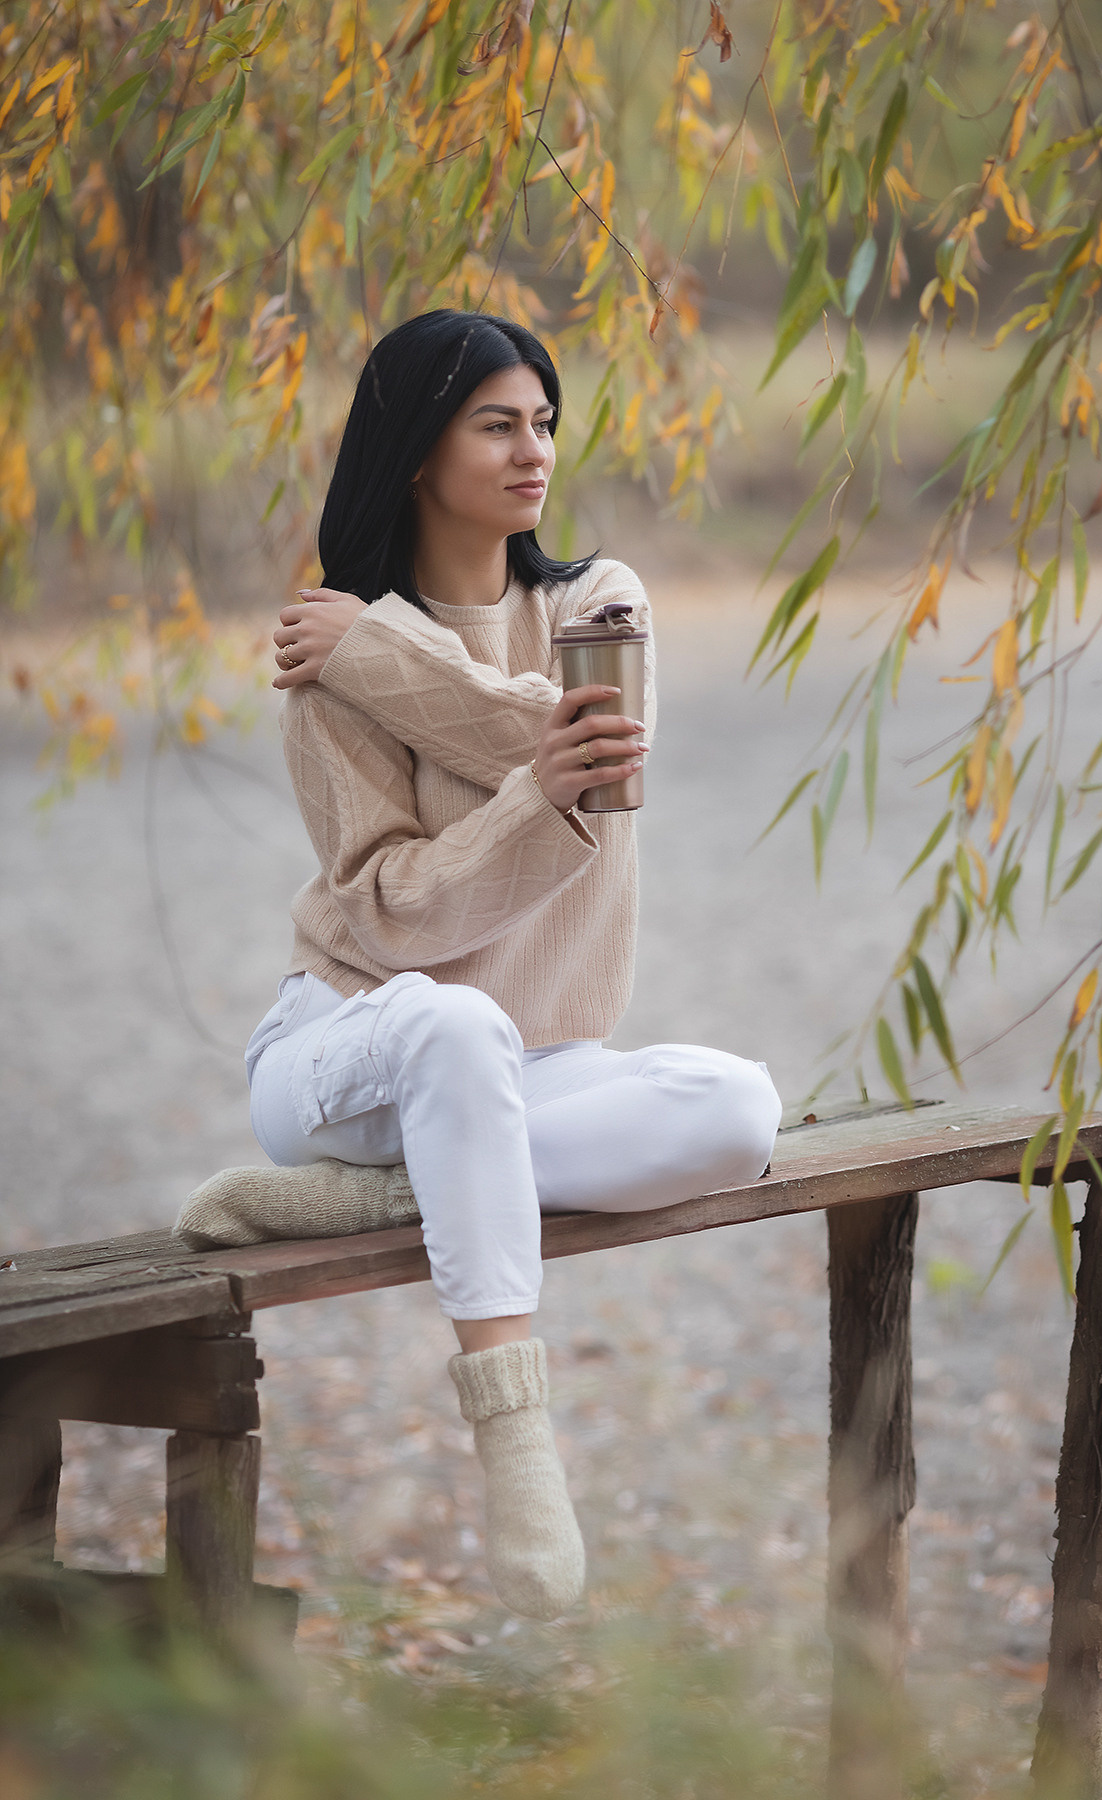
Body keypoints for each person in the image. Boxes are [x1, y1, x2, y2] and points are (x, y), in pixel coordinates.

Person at [175, 310, 782, 1621]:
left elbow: (605, 743)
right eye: (497, 424)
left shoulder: (593, 604)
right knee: (453, 1029)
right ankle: (517, 1445)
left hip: (540, 1061)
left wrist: (385, 658)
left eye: (545, 422)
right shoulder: (323, 671)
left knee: (741, 1110)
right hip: (348, 1048)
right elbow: (397, 920)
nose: (535, 451)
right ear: (416, 452)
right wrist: (526, 775)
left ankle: (401, 1191)